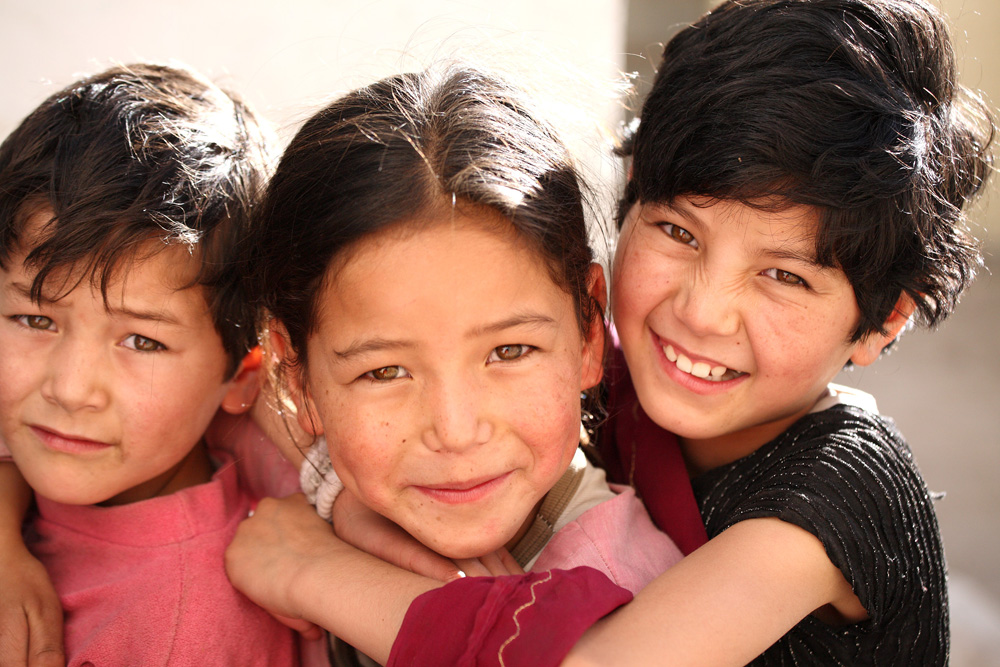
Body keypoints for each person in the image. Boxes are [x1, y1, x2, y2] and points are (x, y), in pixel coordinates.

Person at [227, 0, 993, 665]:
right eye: (678, 232)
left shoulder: (836, 493)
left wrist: (310, 570)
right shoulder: (603, 372)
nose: (701, 312)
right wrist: (348, 497)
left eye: (785, 275)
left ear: (884, 318)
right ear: (628, 198)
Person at [239, 62, 684, 663]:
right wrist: (334, 492)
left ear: (587, 333)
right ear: (299, 378)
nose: (454, 431)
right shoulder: (256, 468)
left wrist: (316, 566)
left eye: (508, 351)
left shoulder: (628, 594)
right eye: (385, 372)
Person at [0, 63, 302, 666]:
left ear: (243, 374)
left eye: (141, 342)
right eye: (36, 320)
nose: (70, 388)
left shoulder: (179, 632)